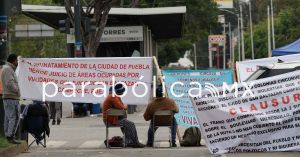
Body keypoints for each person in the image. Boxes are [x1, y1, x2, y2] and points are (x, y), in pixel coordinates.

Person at [1, 54, 21, 144]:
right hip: (11, 97)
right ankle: (10, 136)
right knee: (14, 117)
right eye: (16, 60)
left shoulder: (8, 69)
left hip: (10, 97)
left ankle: (8, 135)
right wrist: (17, 90)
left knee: (9, 117)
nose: (17, 62)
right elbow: (9, 83)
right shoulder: (8, 69)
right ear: (13, 61)